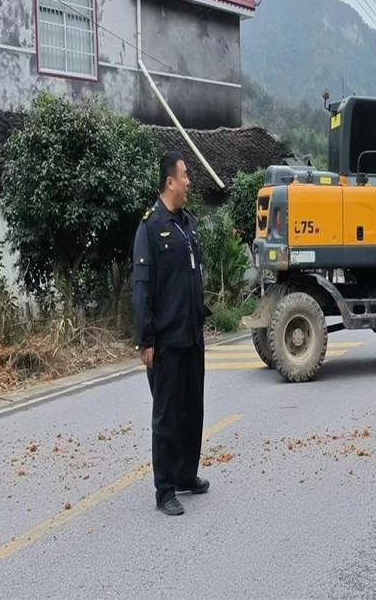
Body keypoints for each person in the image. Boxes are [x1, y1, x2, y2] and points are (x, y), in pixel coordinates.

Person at [132, 151, 210, 516]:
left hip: (192, 335)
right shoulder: (150, 227)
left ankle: (186, 475)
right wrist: (144, 339)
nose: (189, 181)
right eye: (185, 175)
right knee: (166, 414)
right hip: (166, 339)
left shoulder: (187, 223)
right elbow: (142, 286)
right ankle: (165, 490)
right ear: (170, 182)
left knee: (192, 409)